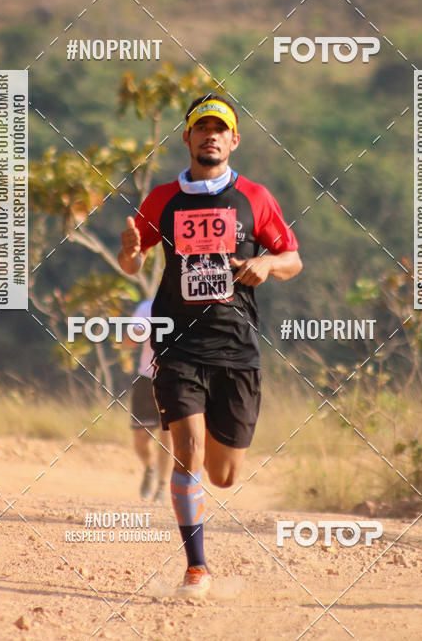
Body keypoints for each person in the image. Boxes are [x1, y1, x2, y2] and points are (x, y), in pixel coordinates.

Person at [117, 94, 302, 597]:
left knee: (223, 475)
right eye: (202, 128)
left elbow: (292, 259)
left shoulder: (255, 198)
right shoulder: (162, 199)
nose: (211, 136)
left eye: (221, 129)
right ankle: (196, 567)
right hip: (177, 343)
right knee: (189, 450)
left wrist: (266, 264)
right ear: (188, 138)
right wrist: (131, 253)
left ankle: (202, 523)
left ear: (234, 140)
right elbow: (132, 262)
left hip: (236, 345)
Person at [123, 299, 172, 503]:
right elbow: (127, 342)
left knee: (168, 435)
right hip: (146, 379)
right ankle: (150, 467)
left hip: (176, 380)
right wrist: (140, 332)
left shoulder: (192, 308)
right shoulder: (147, 308)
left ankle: (162, 486)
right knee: (141, 438)